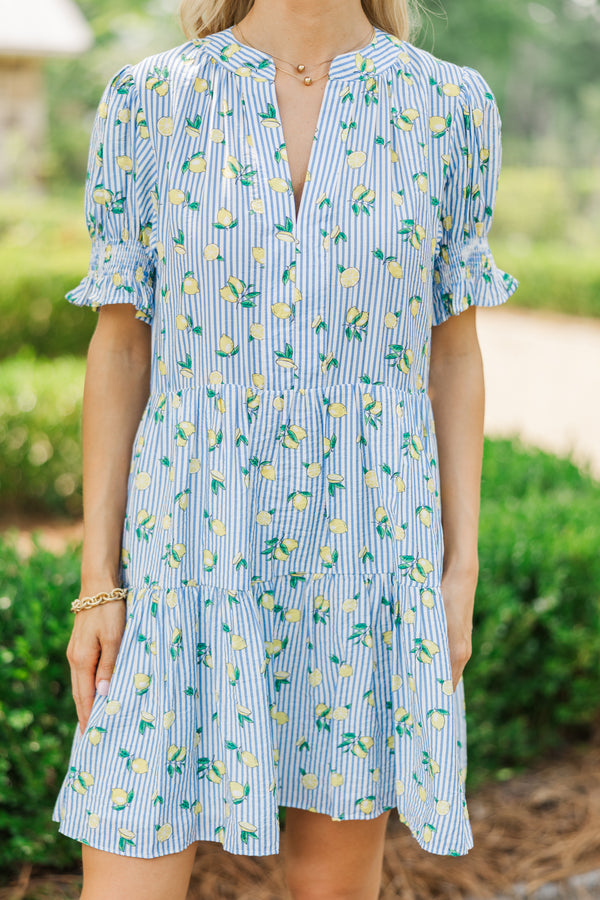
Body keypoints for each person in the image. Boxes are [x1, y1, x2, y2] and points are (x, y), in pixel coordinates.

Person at [51, 0, 519, 897]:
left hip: (367, 556)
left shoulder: (451, 107)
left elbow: (454, 354)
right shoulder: (151, 99)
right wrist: (99, 582)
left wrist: (456, 574)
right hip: (186, 554)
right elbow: (121, 348)